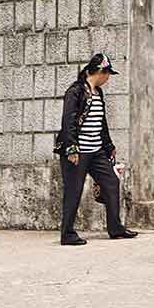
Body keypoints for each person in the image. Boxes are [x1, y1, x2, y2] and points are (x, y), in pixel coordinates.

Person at [54, 58, 136, 243]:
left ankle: (115, 228)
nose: (108, 79)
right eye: (107, 74)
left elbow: (101, 123)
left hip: (96, 150)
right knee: (73, 191)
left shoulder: (98, 93)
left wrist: (109, 146)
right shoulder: (75, 92)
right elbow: (68, 121)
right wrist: (72, 148)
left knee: (111, 182)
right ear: (100, 72)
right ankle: (67, 234)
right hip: (78, 151)